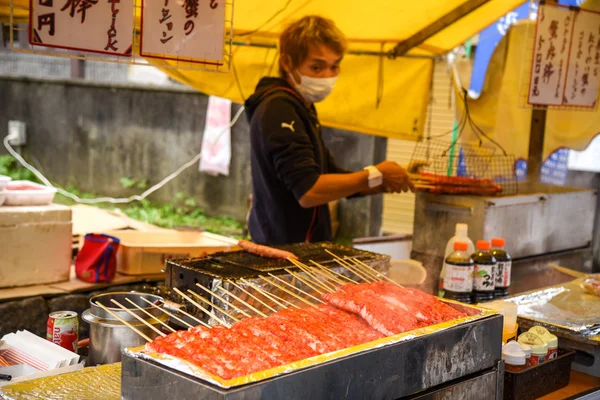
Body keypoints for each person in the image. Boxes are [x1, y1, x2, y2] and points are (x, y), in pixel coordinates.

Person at [244, 15, 414, 246]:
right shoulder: (279, 109)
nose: (327, 76)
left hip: (302, 249)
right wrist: (376, 173)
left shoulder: (302, 107)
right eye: (316, 67)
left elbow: (331, 176)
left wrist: (384, 181)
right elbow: (309, 191)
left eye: (334, 66)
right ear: (287, 62)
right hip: (285, 252)